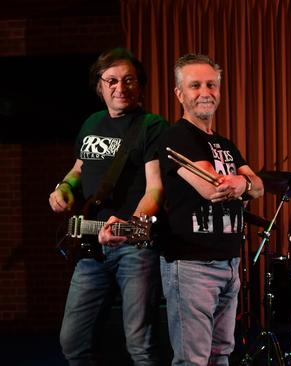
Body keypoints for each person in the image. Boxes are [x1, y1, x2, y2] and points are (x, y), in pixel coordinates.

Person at [48, 48, 168, 365]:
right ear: (100, 86)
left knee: (140, 345)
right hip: (91, 245)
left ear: (140, 86)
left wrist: (127, 226)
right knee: (72, 342)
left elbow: (156, 188)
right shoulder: (91, 123)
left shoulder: (152, 126)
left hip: (135, 247)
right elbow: (78, 170)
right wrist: (64, 189)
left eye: (128, 80)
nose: (120, 87)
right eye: (111, 80)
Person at [158, 54, 264, 366]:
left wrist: (243, 185)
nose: (205, 91)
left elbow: (257, 186)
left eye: (211, 84)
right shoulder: (176, 137)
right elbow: (214, 189)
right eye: (195, 85)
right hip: (192, 265)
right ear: (180, 94)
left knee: (221, 355)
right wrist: (244, 184)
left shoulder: (225, 144)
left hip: (229, 263)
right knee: (193, 360)